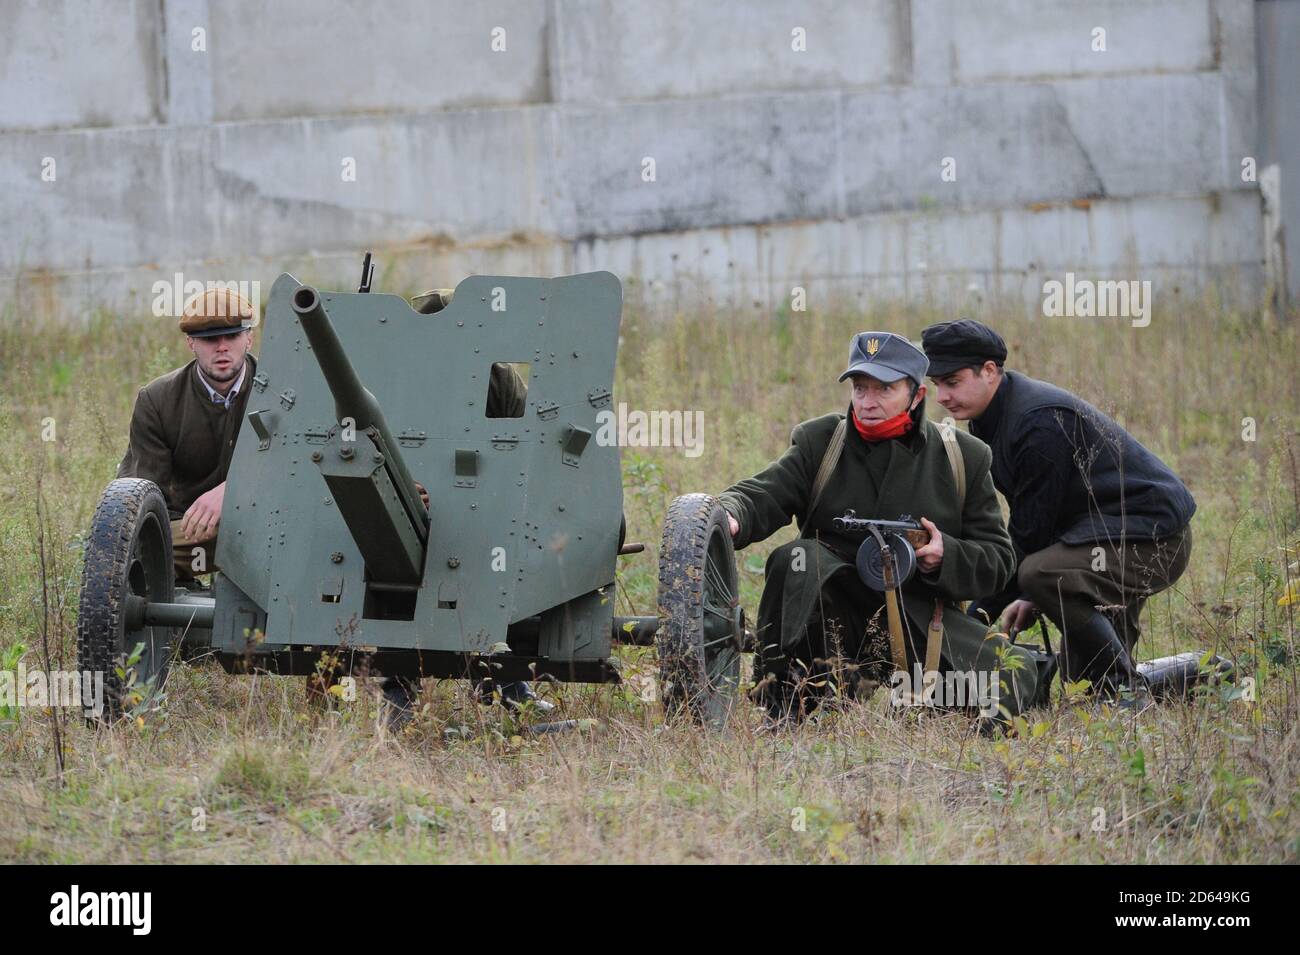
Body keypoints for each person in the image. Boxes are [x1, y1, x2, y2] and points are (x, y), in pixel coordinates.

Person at [717, 332, 1042, 725]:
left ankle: (925, 698)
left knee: (1017, 672)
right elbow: (761, 494)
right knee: (796, 558)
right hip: (832, 616)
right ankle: (788, 701)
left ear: (917, 395)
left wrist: (944, 556)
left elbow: (998, 559)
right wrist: (725, 516)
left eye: (884, 389)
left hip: (921, 618)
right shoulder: (821, 442)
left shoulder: (962, 457)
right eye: (859, 388)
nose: (867, 402)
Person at [921, 320, 1195, 705]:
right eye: (936, 385)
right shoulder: (989, 417)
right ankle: (1186, 678)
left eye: (952, 381)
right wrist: (1030, 592)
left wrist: (979, 617)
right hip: (1100, 536)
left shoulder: (1038, 423)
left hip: (1152, 540)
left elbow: (1029, 537)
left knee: (1039, 573)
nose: (943, 396)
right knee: (1083, 686)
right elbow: (1040, 519)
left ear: (988, 370)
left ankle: (1133, 690)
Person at [117, 287, 257, 582]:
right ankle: (175, 622)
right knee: (133, 554)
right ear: (190, 343)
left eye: (232, 336)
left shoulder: (282, 391)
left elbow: (305, 466)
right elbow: (142, 494)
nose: (222, 347)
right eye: (209, 339)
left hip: (268, 522)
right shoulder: (157, 400)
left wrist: (234, 490)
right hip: (191, 529)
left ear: (249, 338)